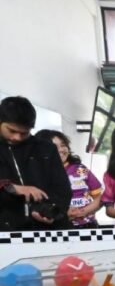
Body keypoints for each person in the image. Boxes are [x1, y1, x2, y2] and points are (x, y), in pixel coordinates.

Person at [0, 96, 72, 231]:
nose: (17, 137)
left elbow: (63, 190)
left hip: (47, 231)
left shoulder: (45, 148)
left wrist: (51, 212)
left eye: (24, 133)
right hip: (5, 232)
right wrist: (11, 188)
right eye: (12, 130)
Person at [36, 129, 102, 228]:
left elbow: (100, 197)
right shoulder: (38, 174)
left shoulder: (80, 169)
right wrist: (63, 215)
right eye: (54, 146)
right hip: (57, 227)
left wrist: (83, 212)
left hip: (87, 225)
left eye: (63, 145)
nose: (61, 150)